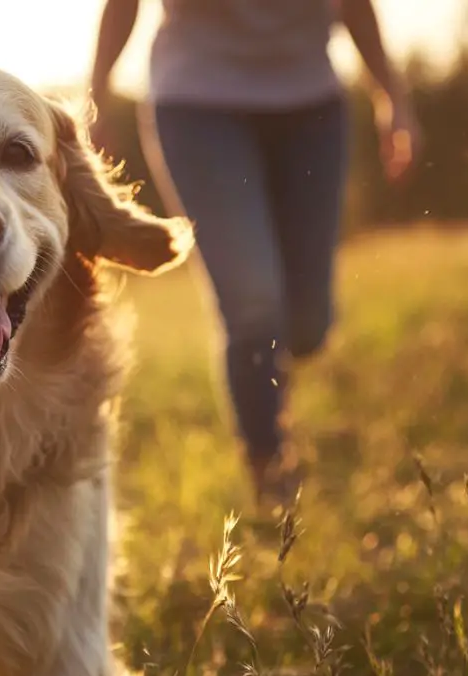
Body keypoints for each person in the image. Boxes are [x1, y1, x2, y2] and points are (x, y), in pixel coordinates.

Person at [88, 0, 420, 508]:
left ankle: (271, 398)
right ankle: (270, 472)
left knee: (307, 326)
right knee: (252, 305)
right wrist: (96, 95)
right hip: (197, 103)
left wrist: (393, 98)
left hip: (310, 108)